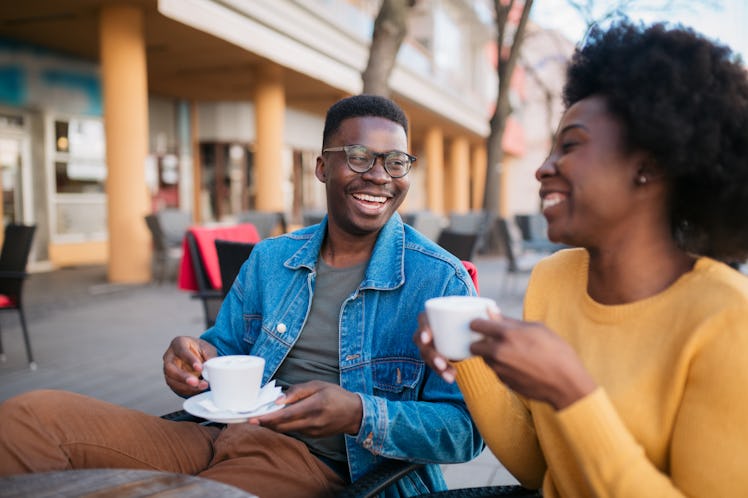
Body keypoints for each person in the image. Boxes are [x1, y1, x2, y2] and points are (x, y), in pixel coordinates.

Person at [0, 94, 483, 497]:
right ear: (321, 166)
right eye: (358, 156)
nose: (379, 175)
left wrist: (359, 413)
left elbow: (465, 431)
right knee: (30, 420)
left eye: (396, 161)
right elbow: (223, 352)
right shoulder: (272, 259)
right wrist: (194, 361)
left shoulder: (438, 280)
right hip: (219, 435)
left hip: (328, 470)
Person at [416, 21, 748, 497]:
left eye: (570, 145)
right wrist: (466, 357)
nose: (543, 167)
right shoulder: (554, 279)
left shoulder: (728, 320)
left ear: (648, 166)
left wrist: (572, 392)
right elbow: (541, 472)